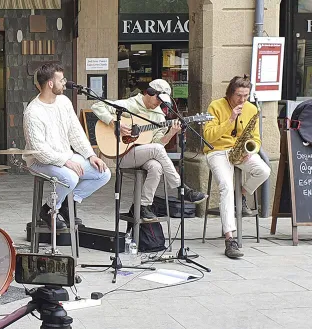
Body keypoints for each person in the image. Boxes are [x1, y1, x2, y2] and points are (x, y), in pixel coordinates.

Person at [91, 79, 207, 220]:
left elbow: (157, 146)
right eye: (158, 100)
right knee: (156, 151)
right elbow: (97, 106)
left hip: (142, 155)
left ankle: (143, 206)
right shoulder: (131, 104)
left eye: (162, 102)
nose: (159, 104)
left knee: (156, 166)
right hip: (123, 154)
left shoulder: (160, 117)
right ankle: (182, 188)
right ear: (150, 92)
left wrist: (171, 133)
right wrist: (115, 124)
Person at [23, 63, 111, 229]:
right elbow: (39, 150)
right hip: (39, 161)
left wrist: (90, 155)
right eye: (61, 80)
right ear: (50, 83)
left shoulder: (64, 101)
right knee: (70, 177)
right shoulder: (33, 112)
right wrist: (66, 161)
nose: (65, 83)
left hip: (64, 155)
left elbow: (76, 132)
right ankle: (49, 209)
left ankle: (65, 204)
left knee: (103, 173)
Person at [203, 75, 271, 259]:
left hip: (241, 151)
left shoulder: (251, 108)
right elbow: (208, 136)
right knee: (225, 186)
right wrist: (230, 119)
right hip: (217, 151)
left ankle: (241, 194)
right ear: (230, 93)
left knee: (264, 170)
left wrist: (251, 149)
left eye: (246, 95)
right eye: (239, 95)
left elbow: (255, 137)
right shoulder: (215, 106)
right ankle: (230, 238)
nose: (242, 100)